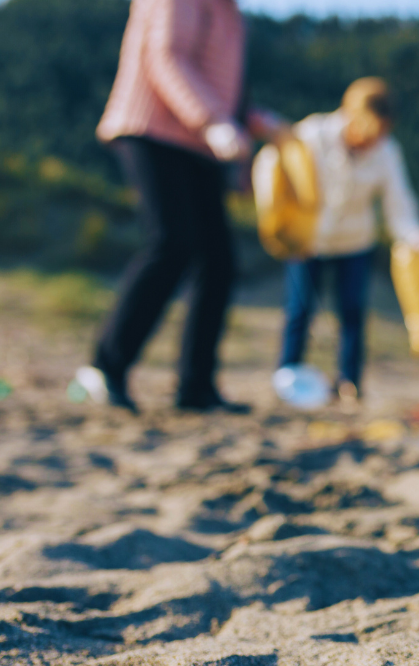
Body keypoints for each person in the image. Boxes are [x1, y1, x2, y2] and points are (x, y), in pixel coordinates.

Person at [77, 0, 282, 414]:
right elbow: (166, 58)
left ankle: (197, 387)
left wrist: (253, 126)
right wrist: (213, 122)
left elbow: (226, 86)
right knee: (172, 242)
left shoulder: (231, 14)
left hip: (199, 144)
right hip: (152, 130)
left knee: (218, 260)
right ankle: (105, 368)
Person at [274, 78, 419, 405]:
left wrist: (415, 241)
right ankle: (288, 378)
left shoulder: (387, 151)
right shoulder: (311, 135)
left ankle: (349, 384)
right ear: (349, 115)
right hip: (308, 243)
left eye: (380, 134)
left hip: (355, 243)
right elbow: (280, 184)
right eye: (367, 133)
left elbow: (399, 204)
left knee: (353, 314)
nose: (373, 141)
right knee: (300, 310)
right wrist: (286, 233)